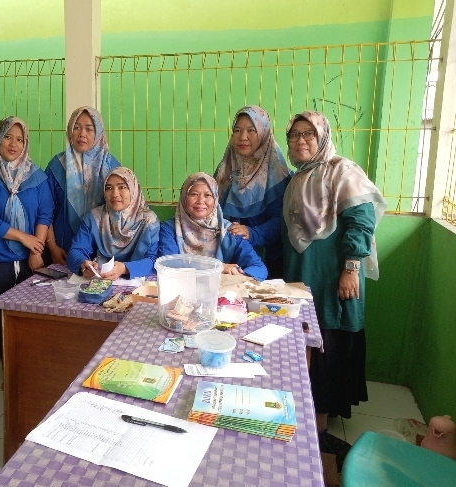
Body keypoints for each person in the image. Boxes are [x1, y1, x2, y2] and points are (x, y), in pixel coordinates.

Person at [281, 110, 386, 452]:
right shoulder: (297, 178)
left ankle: (320, 425)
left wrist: (351, 267)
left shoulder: (343, 171)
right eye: (294, 135)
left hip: (333, 275)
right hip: (303, 272)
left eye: (308, 134)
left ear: (323, 137)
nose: (300, 141)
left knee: (329, 339)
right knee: (309, 340)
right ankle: (309, 410)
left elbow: (361, 219)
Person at [0, 116, 53, 359]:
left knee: (33, 317)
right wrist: (24, 238)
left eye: (20, 139)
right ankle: (9, 368)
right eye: (8, 137)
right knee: (1, 319)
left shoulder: (37, 176)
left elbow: (45, 213)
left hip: (31, 260)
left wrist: (36, 251)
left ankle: (29, 366)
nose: (13, 144)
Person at [214, 105, 292, 278]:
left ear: (264, 133)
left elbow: (282, 220)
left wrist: (252, 233)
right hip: (229, 258)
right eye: (237, 130)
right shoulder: (225, 170)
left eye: (251, 130)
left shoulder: (278, 173)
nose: (243, 137)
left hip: (268, 258)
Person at [44, 107, 120, 264]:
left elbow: (121, 209)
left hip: (103, 250)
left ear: (98, 132)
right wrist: (52, 247)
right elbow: (44, 210)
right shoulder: (56, 166)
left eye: (89, 129)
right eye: (76, 127)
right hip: (62, 249)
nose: (82, 134)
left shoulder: (111, 166)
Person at [158, 172, 268, 281]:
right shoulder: (170, 229)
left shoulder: (228, 231)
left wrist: (241, 278)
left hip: (218, 289)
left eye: (208, 195)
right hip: (182, 287)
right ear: (184, 198)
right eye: (194, 194)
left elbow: (259, 268)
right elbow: (169, 266)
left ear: (215, 199)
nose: (200, 201)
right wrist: (218, 267)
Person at [67, 167, 159, 279]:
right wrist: (83, 264)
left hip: (137, 282)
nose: (115, 194)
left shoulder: (149, 221)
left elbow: (153, 260)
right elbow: (76, 250)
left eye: (122, 187)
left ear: (133, 190)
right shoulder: (94, 218)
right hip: (99, 278)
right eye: (109, 188)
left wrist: (124, 268)